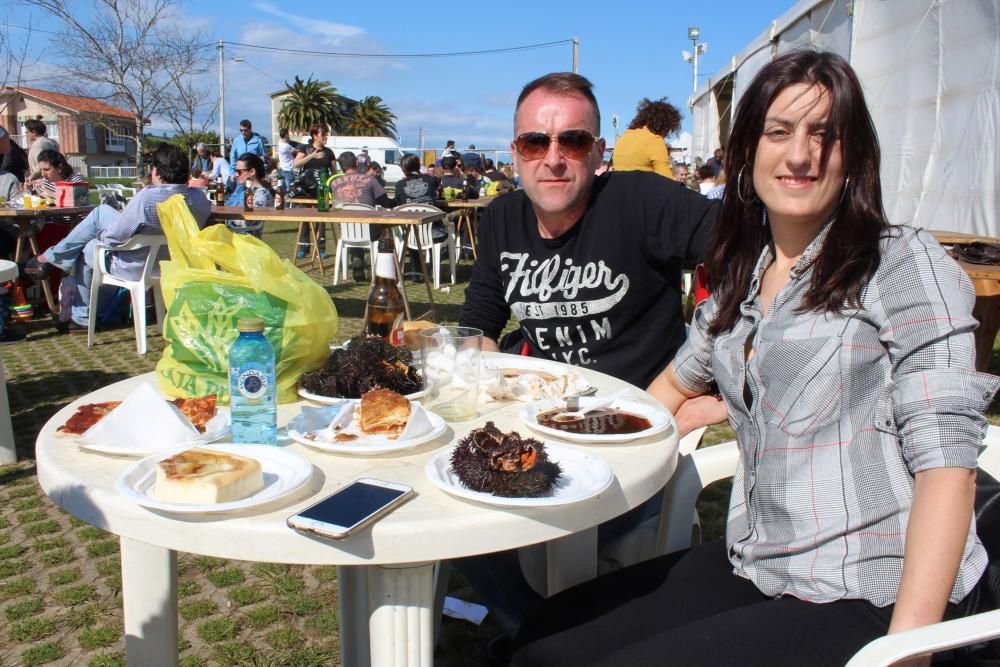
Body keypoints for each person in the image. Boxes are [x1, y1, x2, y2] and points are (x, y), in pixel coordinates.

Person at [511, 50, 998, 667]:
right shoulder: (747, 272)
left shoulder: (898, 264)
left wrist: (907, 652)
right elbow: (672, 385)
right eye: (779, 132)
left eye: (826, 134)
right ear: (745, 153)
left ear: (854, 157)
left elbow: (947, 468)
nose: (801, 155)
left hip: (876, 586)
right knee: (542, 642)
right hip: (760, 558)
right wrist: (561, 448)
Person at [456, 71, 717, 638]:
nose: (553, 158)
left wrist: (711, 393)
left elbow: (756, 262)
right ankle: (541, 634)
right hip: (538, 423)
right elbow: (480, 317)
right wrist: (469, 367)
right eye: (535, 143)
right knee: (456, 497)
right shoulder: (502, 217)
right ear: (515, 153)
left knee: (485, 517)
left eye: (571, 141)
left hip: (634, 436)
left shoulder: (643, 202)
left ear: (598, 152)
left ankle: (551, 638)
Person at [28, 143, 211, 333]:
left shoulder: (146, 198)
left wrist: (101, 235)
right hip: (171, 263)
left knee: (92, 239)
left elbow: (115, 239)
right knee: (101, 215)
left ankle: (78, 312)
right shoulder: (199, 199)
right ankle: (55, 261)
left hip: (134, 266)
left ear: (156, 171)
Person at [330, 150, 392, 281]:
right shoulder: (371, 180)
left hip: (346, 230)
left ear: (341, 166)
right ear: (357, 163)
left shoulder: (334, 183)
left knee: (353, 223)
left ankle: (357, 260)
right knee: (381, 227)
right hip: (369, 231)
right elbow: (385, 202)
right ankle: (371, 263)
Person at [293, 122, 337, 259]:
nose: (326, 137)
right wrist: (312, 156)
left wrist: (335, 189)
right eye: (323, 134)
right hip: (306, 188)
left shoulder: (329, 152)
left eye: (326, 134)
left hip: (322, 189)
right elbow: (296, 164)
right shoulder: (305, 148)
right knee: (305, 218)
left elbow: (334, 172)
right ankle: (304, 247)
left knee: (321, 219)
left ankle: (321, 248)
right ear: (314, 135)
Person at [611, 97, 681, 179]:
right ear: (663, 125)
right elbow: (667, 181)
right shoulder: (655, 141)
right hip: (642, 190)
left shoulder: (623, 138)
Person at [225, 153, 273, 239]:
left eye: (239, 171)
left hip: (246, 241)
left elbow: (251, 220)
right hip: (230, 236)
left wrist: (223, 222)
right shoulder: (240, 189)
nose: (236, 175)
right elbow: (227, 207)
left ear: (252, 172)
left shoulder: (262, 194)